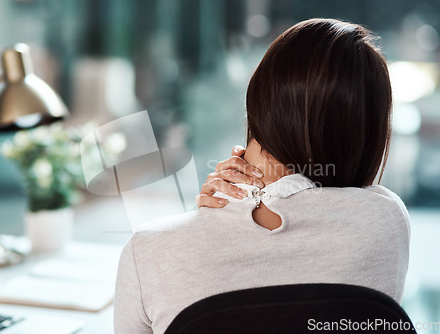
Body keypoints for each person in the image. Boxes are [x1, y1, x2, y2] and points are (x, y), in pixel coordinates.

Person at [114, 18, 410, 334]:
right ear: (367, 135)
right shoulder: (386, 221)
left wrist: (210, 213)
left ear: (256, 98)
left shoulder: (149, 251)